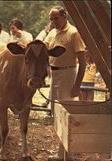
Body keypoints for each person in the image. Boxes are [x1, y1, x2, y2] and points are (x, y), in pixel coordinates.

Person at [44, 6, 86, 161]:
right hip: (54, 74)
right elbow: (44, 49)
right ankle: (62, 153)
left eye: (56, 18)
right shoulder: (52, 33)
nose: (53, 21)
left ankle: (69, 154)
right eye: (51, 19)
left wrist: (77, 85)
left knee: (66, 114)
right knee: (56, 113)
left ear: (64, 17)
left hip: (68, 73)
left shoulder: (73, 33)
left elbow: (83, 62)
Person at [35, 22, 54, 107]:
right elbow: (37, 43)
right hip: (44, 61)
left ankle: (49, 101)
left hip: (52, 60)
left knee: (53, 82)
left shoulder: (58, 33)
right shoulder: (44, 34)